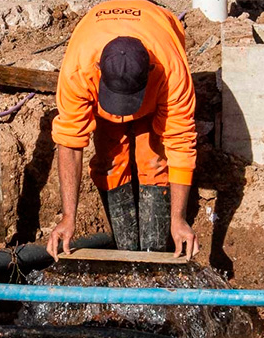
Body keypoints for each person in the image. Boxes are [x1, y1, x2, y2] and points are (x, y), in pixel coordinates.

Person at [46, 0, 200, 262]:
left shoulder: (171, 70)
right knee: (109, 162)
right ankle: (125, 251)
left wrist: (179, 219)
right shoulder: (78, 68)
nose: (122, 115)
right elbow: (70, 143)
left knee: (153, 160)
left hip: (156, 62)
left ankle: (155, 251)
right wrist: (68, 217)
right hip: (99, 68)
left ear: (151, 70)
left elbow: (180, 142)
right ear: (99, 69)